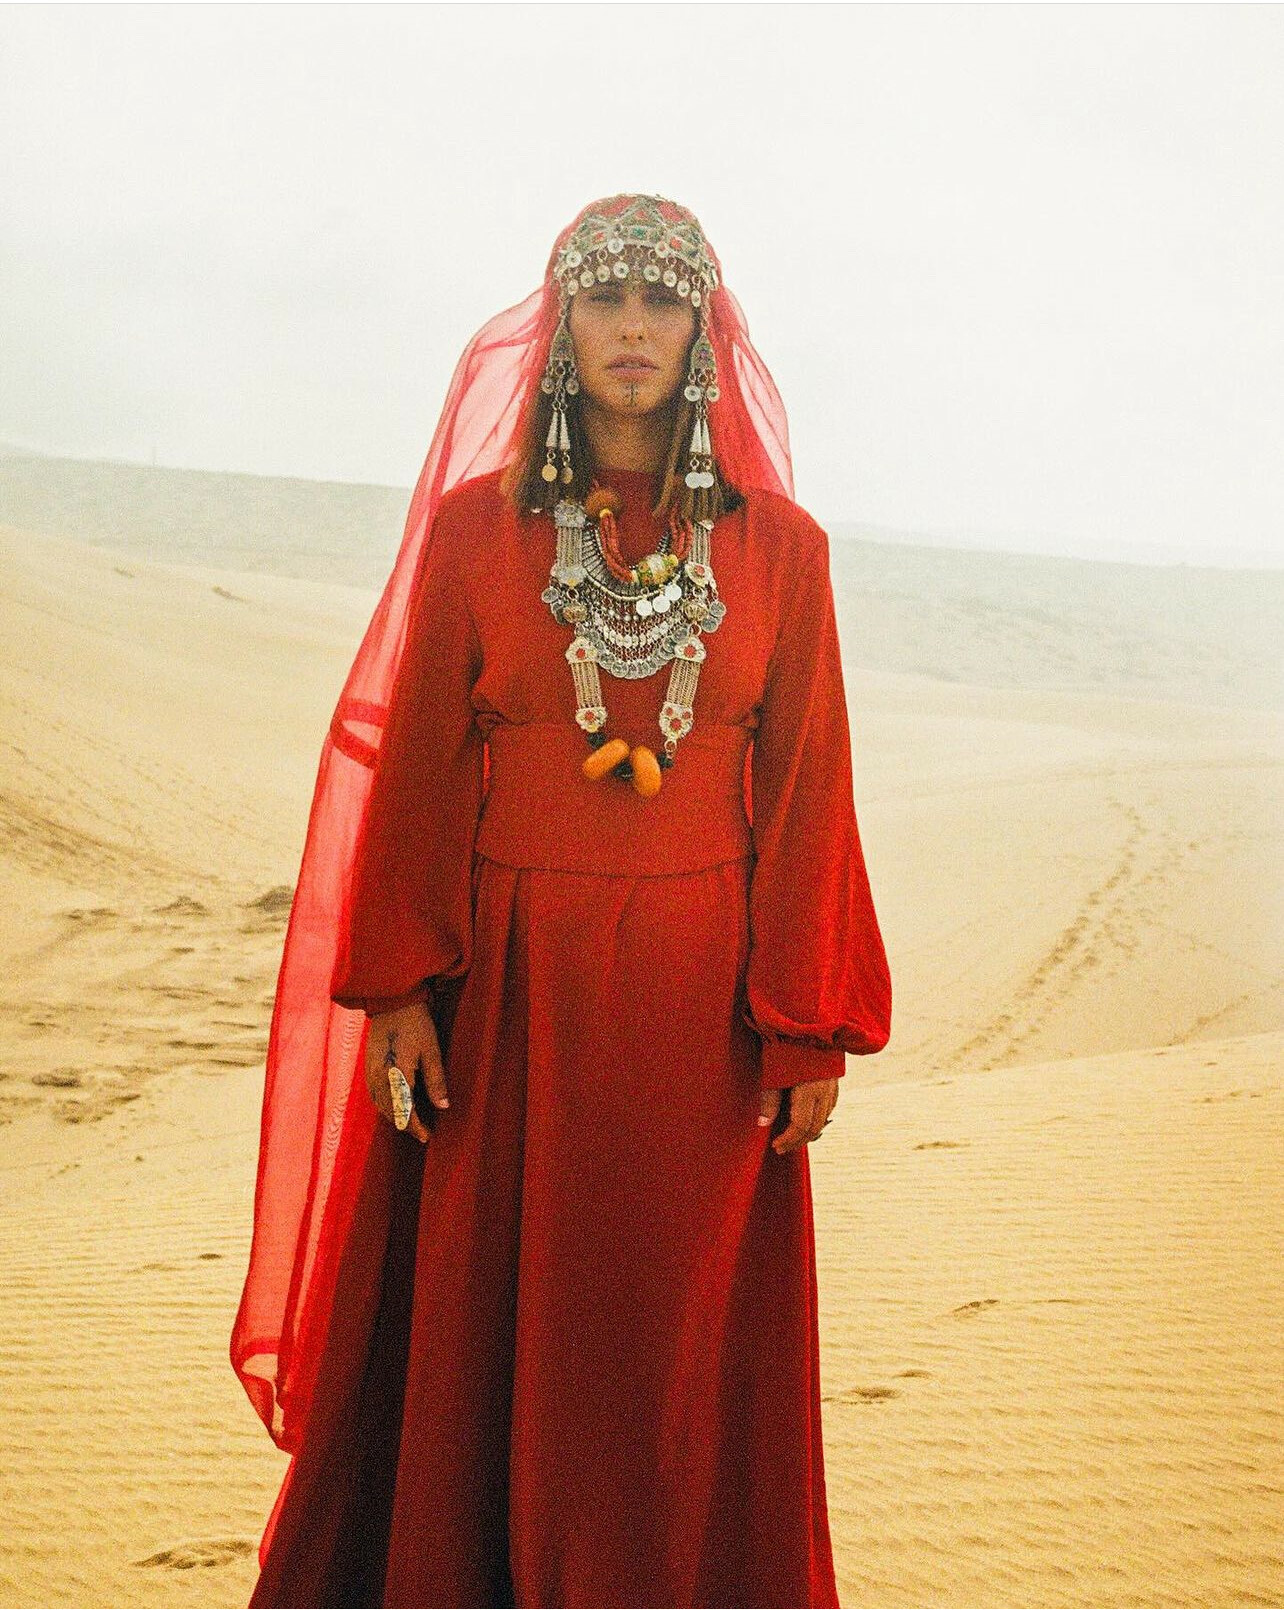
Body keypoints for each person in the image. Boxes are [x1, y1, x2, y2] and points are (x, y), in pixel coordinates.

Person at [232, 192, 892, 1610]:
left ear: (705, 330)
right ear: (562, 326)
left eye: (665, 301)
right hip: (505, 1005)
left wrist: (805, 1024)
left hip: (698, 1022)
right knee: (490, 1331)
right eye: (607, 299)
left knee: (664, 1348)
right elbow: (413, 763)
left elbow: (807, 798)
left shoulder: (786, 553)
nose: (636, 330)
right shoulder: (480, 536)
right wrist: (401, 985)